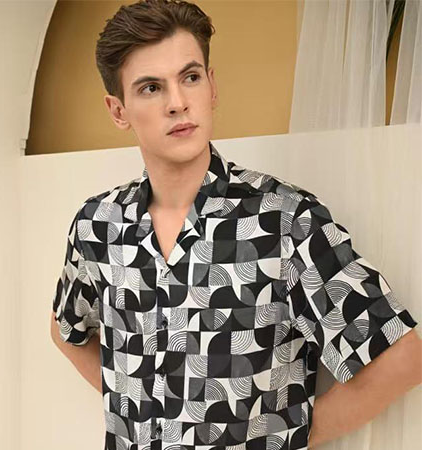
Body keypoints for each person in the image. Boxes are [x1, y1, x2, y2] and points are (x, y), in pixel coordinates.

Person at [50, 1, 422, 449]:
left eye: (190, 77)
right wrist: (136, 408)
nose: (177, 103)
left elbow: (400, 358)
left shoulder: (284, 221)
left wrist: (287, 436)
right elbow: (66, 330)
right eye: (151, 88)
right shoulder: (98, 226)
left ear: (212, 86)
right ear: (118, 110)